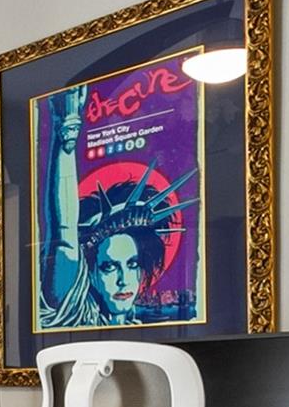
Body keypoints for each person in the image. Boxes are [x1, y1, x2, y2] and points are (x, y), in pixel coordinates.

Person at [37, 83, 191, 329]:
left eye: (132, 264)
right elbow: (64, 233)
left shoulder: (140, 326)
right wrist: (66, 135)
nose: (123, 281)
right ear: (89, 271)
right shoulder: (75, 311)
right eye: (108, 267)